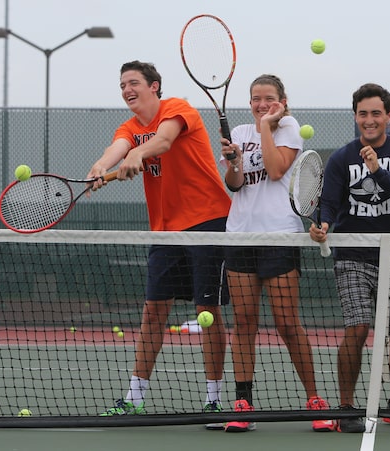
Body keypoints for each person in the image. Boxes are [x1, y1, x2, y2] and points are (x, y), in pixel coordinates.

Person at [88, 61, 231, 428]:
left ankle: (214, 400)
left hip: (207, 221)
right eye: (122, 85)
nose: (126, 90)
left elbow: (164, 140)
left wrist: (139, 154)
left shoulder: (178, 109)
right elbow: (116, 148)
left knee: (208, 310)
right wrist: (100, 167)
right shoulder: (130, 128)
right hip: (164, 229)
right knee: (153, 312)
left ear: (154, 86)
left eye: (133, 83)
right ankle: (134, 398)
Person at [308, 83, 390, 433]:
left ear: (388, 116)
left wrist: (377, 171)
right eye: (363, 113)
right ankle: (346, 408)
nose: (370, 120)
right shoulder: (341, 157)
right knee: (358, 328)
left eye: (376, 113)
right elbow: (328, 203)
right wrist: (322, 223)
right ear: (356, 116)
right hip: (352, 257)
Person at [218, 74, 332, 433]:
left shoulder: (289, 128)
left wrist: (266, 126)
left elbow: (276, 169)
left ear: (282, 101)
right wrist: (234, 162)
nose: (261, 104)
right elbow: (235, 185)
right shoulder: (238, 133)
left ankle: (314, 399)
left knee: (286, 322)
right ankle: (243, 402)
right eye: (256, 98)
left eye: (268, 98)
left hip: (280, 237)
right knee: (245, 322)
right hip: (240, 237)